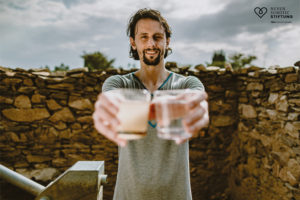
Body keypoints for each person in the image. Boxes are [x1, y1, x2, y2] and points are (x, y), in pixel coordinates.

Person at [92, 8, 209, 200]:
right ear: (133, 42)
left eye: (157, 37)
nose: (151, 44)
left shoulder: (188, 84)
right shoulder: (117, 83)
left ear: (167, 41)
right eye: (144, 37)